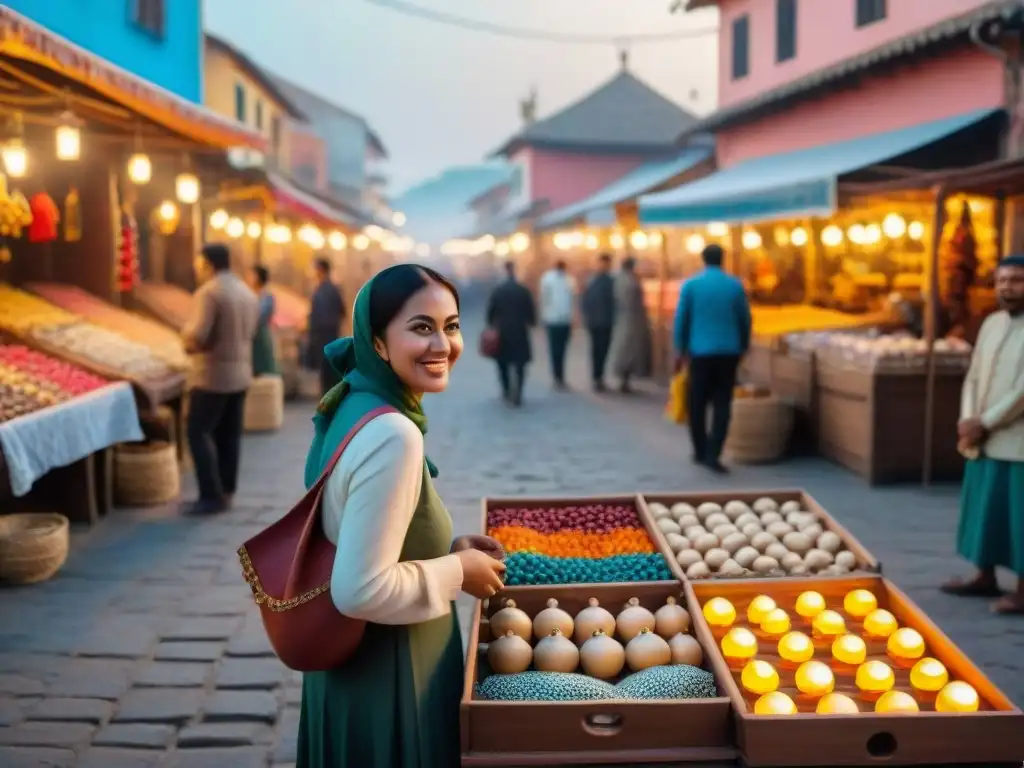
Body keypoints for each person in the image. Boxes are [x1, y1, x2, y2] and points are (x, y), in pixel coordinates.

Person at [297, 264, 507, 766]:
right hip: (389, 677)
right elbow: (360, 589)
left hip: (353, 672)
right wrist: (457, 572)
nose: (442, 344)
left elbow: (362, 530)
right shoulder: (394, 434)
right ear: (378, 343)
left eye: (451, 325)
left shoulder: (353, 399)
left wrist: (446, 549)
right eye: (420, 327)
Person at [942, 254, 1024, 614]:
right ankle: (984, 576)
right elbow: (974, 376)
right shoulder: (991, 323)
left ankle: (1023, 590)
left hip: (1016, 439)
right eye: (1002, 280)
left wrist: (985, 421)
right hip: (982, 437)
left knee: (1019, 516)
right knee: (983, 509)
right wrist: (967, 419)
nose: (1007, 286)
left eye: (1017, 280)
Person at [182, 243, 258, 515]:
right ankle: (226, 490)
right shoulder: (246, 292)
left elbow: (199, 336)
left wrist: (187, 339)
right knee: (229, 434)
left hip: (212, 375)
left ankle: (210, 495)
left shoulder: (210, 292)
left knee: (197, 431)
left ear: (207, 264)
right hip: (241, 372)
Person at [674, 244, 752, 474]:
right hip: (729, 352)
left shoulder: (691, 285)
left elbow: (682, 319)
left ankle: (699, 450)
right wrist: (744, 345)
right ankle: (713, 454)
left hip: (699, 352)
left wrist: (680, 348)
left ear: (703, 260)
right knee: (722, 403)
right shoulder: (735, 286)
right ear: (723, 260)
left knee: (696, 402)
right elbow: (745, 319)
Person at [486, 261, 536, 406]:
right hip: (520, 331)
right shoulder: (523, 290)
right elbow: (531, 312)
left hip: (502, 332)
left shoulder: (498, 290)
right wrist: (531, 322)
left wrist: (492, 325)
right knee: (520, 364)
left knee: (503, 363)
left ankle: (506, 390)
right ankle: (518, 392)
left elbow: (490, 313)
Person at [608, 256, 653, 394]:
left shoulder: (620, 279)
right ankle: (624, 379)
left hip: (624, 319)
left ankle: (624, 379)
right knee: (628, 350)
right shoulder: (629, 281)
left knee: (625, 349)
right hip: (631, 320)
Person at [307, 257, 346, 397]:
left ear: (320, 269)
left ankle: (328, 396)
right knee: (330, 366)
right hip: (331, 332)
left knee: (326, 367)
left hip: (322, 333)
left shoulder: (323, 289)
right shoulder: (333, 288)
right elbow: (343, 311)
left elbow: (318, 314)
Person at [581, 253, 616, 391]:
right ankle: (597, 377)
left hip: (604, 322)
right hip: (598, 322)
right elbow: (585, 299)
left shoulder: (605, 281)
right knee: (598, 350)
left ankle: (598, 377)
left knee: (601, 350)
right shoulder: (596, 281)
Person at [539, 259, 575, 389]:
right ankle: (557, 376)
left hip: (561, 319)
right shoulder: (551, 279)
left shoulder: (568, 280)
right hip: (555, 319)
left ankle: (559, 376)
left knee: (560, 349)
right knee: (556, 350)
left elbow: (571, 300)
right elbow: (544, 299)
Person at [246, 265, 278, 377]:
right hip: (250, 336)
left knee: (263, 368)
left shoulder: (267, 297)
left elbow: (260, 317)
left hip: (261, 335)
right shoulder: (249, 295)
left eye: (251, 275)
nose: (248, 277)